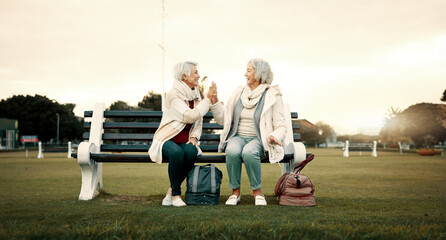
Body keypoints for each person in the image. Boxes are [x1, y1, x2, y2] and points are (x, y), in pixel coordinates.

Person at [210, 58, 287, 206]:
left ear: (259, 73)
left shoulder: (272, 95)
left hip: (258, 139)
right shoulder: (239, 92)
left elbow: (281, 125)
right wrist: (214, 102)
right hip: (237, 136)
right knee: (232, 151)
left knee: (249, 152)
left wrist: (274, 136)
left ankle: (257, 192)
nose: (245, 74)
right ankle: (235, 193)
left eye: (249, 70)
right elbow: (223, 119)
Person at [148, 61, 218, 207]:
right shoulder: (173, 94)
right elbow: (190, 116)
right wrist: (207, 100)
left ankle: (170, 192)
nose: (199, 76)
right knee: (177, 153)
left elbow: (198, 122)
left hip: (185, 140)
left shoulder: (195, 94)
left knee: (191, 152)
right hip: (166, 139)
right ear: (185, 76)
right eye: (195, 72)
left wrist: (194, 137)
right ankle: (176, 195)